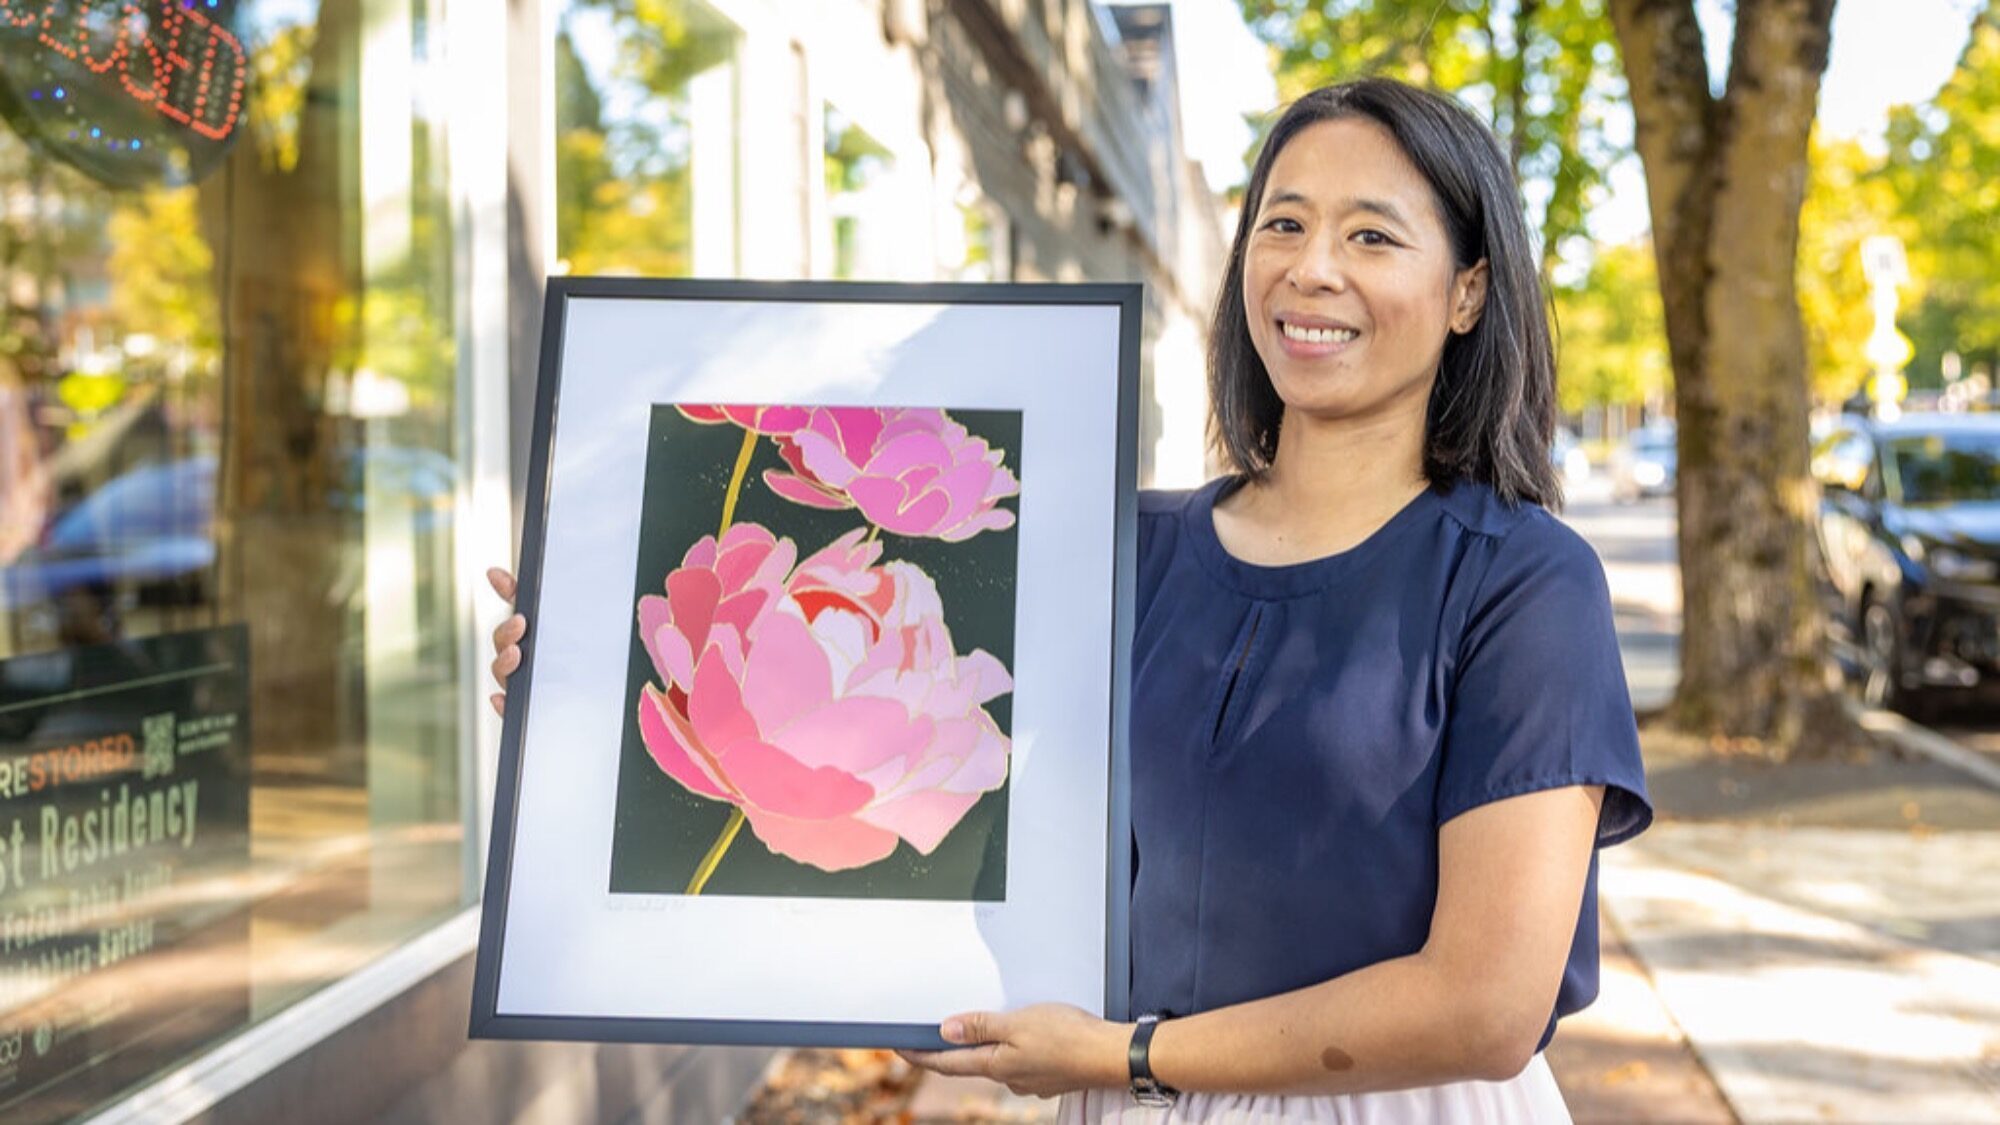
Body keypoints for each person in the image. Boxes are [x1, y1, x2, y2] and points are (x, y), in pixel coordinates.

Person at [489, 77, 1650, 1123]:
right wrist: (594, 681)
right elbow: (874, 749)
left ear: (1465, 293)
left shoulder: (1521, 583)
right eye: (1281, 223)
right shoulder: (1109, 547)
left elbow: (1485, 1006)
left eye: (1370, 236)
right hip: (1122, 1101)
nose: (1310, 267)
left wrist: (1135, 1056)